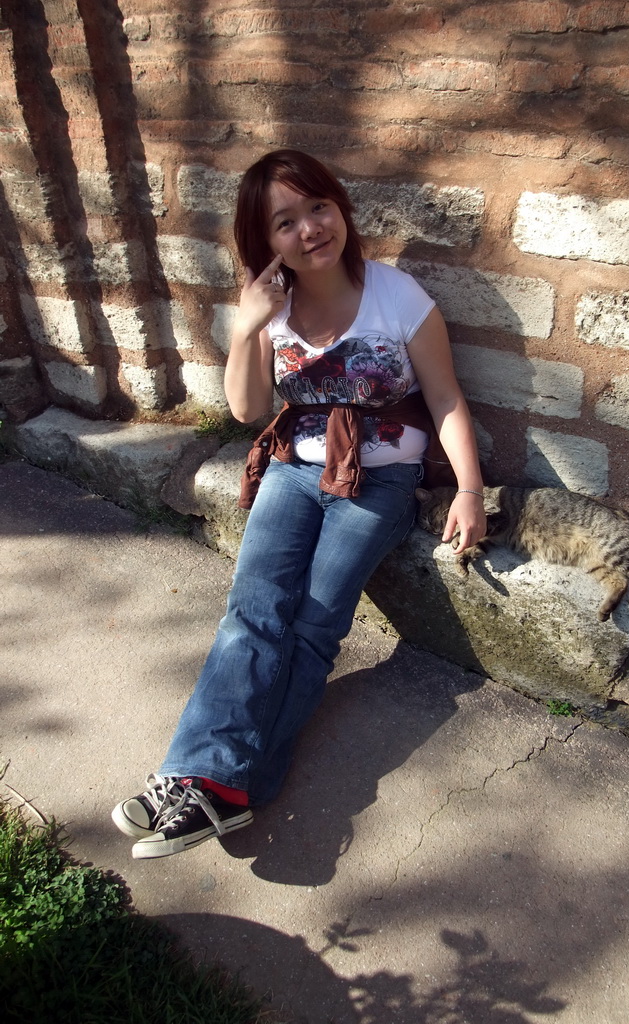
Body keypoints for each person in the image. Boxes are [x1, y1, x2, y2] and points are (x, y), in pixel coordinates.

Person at [111, 149, 486, 860]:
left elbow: (444, 398)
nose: (310, 229)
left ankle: (209, 787)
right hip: (292, 471)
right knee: (253, 614)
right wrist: (250, 325)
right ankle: (207, 781)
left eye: (317, 207)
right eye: (285, 222)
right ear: (266, 243)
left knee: (312, 627)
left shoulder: (396, 295)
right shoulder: (271, 310)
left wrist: (469, 488)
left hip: (379, 483)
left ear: (339, 207)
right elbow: (251, 409)